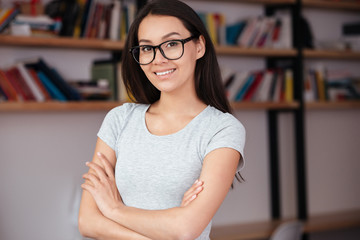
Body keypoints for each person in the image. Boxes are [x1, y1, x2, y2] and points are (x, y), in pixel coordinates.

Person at [78, 0, 246, 239]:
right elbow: (87, 221)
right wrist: (168, 224)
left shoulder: (222, 129)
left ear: (199, 46)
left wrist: (114, 209)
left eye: (172, 43)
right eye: (147, 48)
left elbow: (186, 228)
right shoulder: (119, 119)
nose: (158, 59)